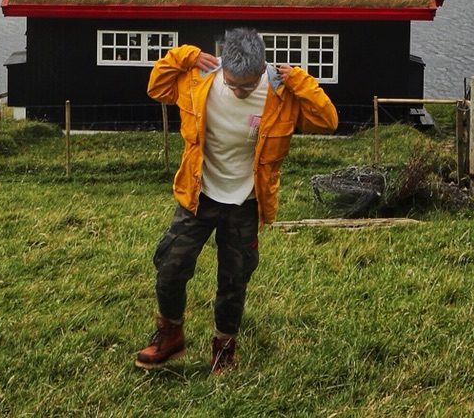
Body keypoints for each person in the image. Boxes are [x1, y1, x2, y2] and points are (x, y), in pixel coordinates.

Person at [134, 27, 338, 373]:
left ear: (262, 70)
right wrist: (185, 55)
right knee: (170, 266)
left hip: (246, 201)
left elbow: (327, 121)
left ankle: (223, 349)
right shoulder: (200, 80)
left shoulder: (282, 93)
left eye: (247, 85)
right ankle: (170, 336)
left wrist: (301, 81)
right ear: (223, 68)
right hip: (198, 195)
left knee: (234, 279)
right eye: (233, 84)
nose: (239, 91)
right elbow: (156, 85)